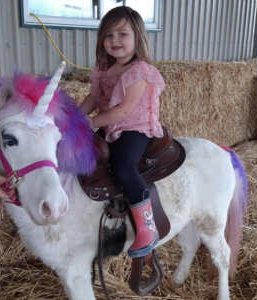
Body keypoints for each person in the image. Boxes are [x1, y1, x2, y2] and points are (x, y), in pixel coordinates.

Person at [80, 6, 165, 258]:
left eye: (122, 34)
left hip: (134, 128)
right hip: (110, 126)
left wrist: (91, 122)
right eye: (108, 35)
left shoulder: (140, 70)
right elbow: (93, 97)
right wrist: (76, 117)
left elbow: (122, 111)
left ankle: (147, 228)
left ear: (137, 37)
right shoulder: (104, 70)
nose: (114, 40)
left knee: (123, 166)